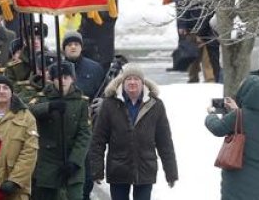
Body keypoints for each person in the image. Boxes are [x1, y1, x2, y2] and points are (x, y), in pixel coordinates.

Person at [89, 64, 178, 199]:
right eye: (128, 79)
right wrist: (96, 170)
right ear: (122, 82)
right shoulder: (109, 104)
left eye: (136, 79)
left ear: (142, 82)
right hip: (118, 169)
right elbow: (98, 140)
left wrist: (171, 172)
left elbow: (165, 142)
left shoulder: (155, 105)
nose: (132, 82)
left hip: (145, 169)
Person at [204, 75, 259, 200]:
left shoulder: (238, 116)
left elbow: (217, 128)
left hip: (238, 182)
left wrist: (211, 115)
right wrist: (237, 110)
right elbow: (253, 123)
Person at [28, 61, 92, 200]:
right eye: (58, 78)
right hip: (48, 161)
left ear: (72, 79)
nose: (62, 81)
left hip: (72, 160)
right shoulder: (42, 97)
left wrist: (75, 161)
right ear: (52, 80)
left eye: (65, 77)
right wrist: (49, 107)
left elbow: (85, 134)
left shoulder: (81, 102)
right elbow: (28, 112)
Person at [61, 32, 107, 99]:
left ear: (81, 47)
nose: (73, 47)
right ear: (64, 49)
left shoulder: (95, 68)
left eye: (76, 44)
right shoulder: (56, 69)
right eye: (69, 44)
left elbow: (103, 93)